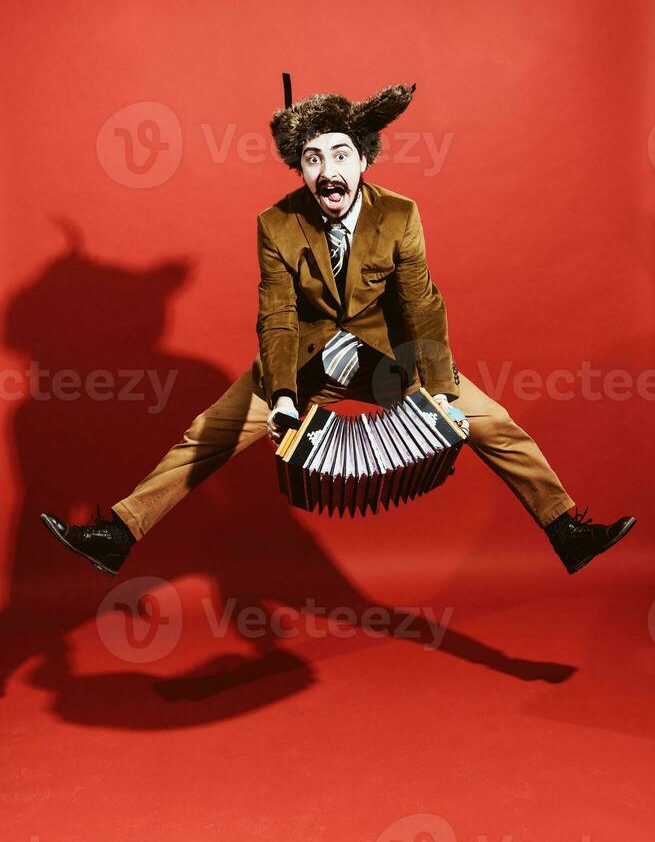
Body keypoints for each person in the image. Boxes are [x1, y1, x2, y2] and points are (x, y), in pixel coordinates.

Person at [40, 76, 636, 578]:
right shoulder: (274, 224)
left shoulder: (400, 215)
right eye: (313, 158)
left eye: (341, 155)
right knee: (206, 432)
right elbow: (275, 312)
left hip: (390, 361)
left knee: (495, 424)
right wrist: (277, 394)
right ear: (300, 167)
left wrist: (440, 391)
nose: (329, 171)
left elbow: (421, 304)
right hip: (305, 363)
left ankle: (566, 531)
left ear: (364, 159)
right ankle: (118, 535)